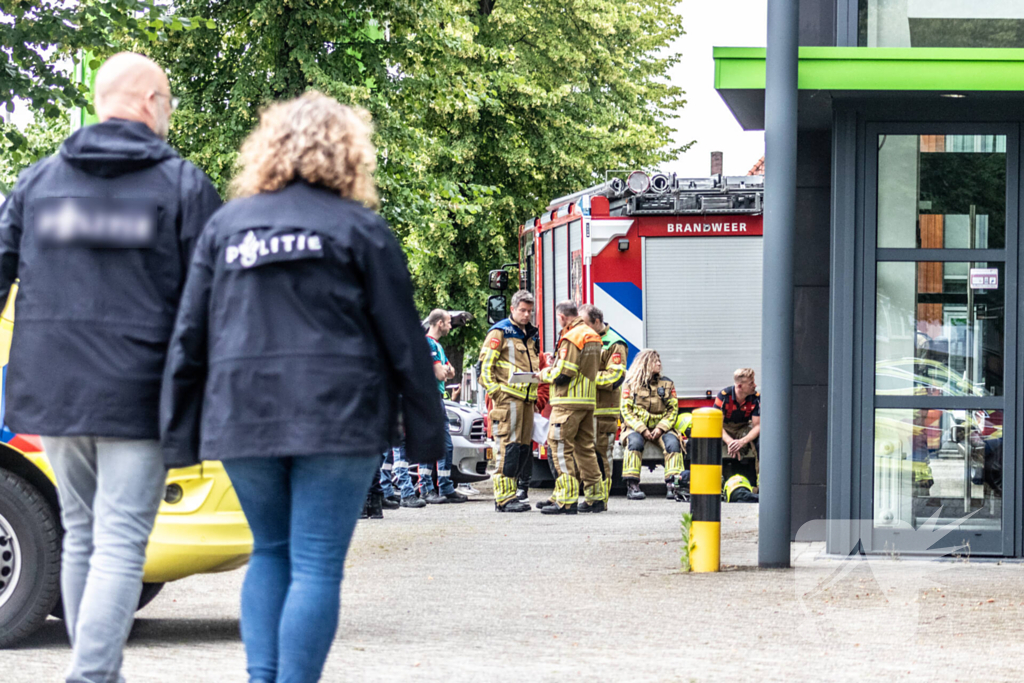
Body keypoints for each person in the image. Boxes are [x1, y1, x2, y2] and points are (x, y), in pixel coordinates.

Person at [161, 91, 445, 683]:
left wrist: (178, 435)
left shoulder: (227, 228)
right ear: (348, 154)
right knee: (316, 564)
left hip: (242, 416)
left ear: (267, 151)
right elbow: (404, 342)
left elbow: (190, 336)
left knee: (269, 552)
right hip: (338, 418)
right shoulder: (360, 229)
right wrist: (426, 435)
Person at [0, 52, 221, 681]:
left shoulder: (38, 182)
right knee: (122, 540)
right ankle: (92, 675)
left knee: (81, 530)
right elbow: (212, 304)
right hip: (140, 394)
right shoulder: (181, 186)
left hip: (53, 392)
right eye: (170, 103)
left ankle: (100, 670)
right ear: (151, 102)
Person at [537, 301, 604, 514]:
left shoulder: (572, 337)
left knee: (559, 448)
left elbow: (565, 372)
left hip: (567, 402)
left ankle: (566, 500)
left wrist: (543, 374)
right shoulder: (592, 334)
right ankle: (595, 497)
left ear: (561, 317)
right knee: (585, 450)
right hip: (587, 401)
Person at [478, 289, 540, 512]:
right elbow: (485, 368)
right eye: (522, 310)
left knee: (522, 450)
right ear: (512, 309)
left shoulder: (530, 334)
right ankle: (503, 498)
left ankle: (511, 495)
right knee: (508, 449)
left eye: (530, 311)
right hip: (508, 399)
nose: (526, 315)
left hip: (526, 399)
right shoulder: (500, 332)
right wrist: (497, 393)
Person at [619, 349, 683, 501]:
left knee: (673, 444)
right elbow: (626, 411)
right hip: (636, 428)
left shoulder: (667, 384)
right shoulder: (630, 385)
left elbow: (673, 409)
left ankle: (673, 485)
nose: (659, 364)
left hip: (661, 428)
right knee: (634, 443)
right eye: (655, 361)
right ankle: (632, 485)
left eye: (659, 361)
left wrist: (661, 428)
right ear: (645, 363)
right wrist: (642, 429)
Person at [580, 303, 627, 510]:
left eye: (585, 324)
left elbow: (615, 376)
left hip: (604, 410)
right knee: (587, 454)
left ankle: (601, 499)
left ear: (597, 322)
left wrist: (585, 377)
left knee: (602, 455)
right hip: (587, 407)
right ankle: (592, 495)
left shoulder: (614, 343)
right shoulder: (585, 339)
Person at [419, 309, 468, 504]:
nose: (450, 326)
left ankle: (446, 487)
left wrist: (445, 369)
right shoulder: (428, 344)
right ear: (439, 323)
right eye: (448, 322)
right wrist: (444, 370)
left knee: (446, 446)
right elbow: (441, 375)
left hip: (437, 398)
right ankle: (426, 488)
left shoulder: (437, 346)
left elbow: (451, 372)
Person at [714, 368, 761, 486]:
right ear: (740, 386)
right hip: (724, 428)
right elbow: (716, 424)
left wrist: (741, 442)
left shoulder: (756, 398)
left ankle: (761, 484)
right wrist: (730, 442)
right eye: (751, 383)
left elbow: (758, 426)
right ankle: (715, 482)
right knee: (711, 441)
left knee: (760, 443)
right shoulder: (723, 396)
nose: (755, 385)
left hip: (743, 428)